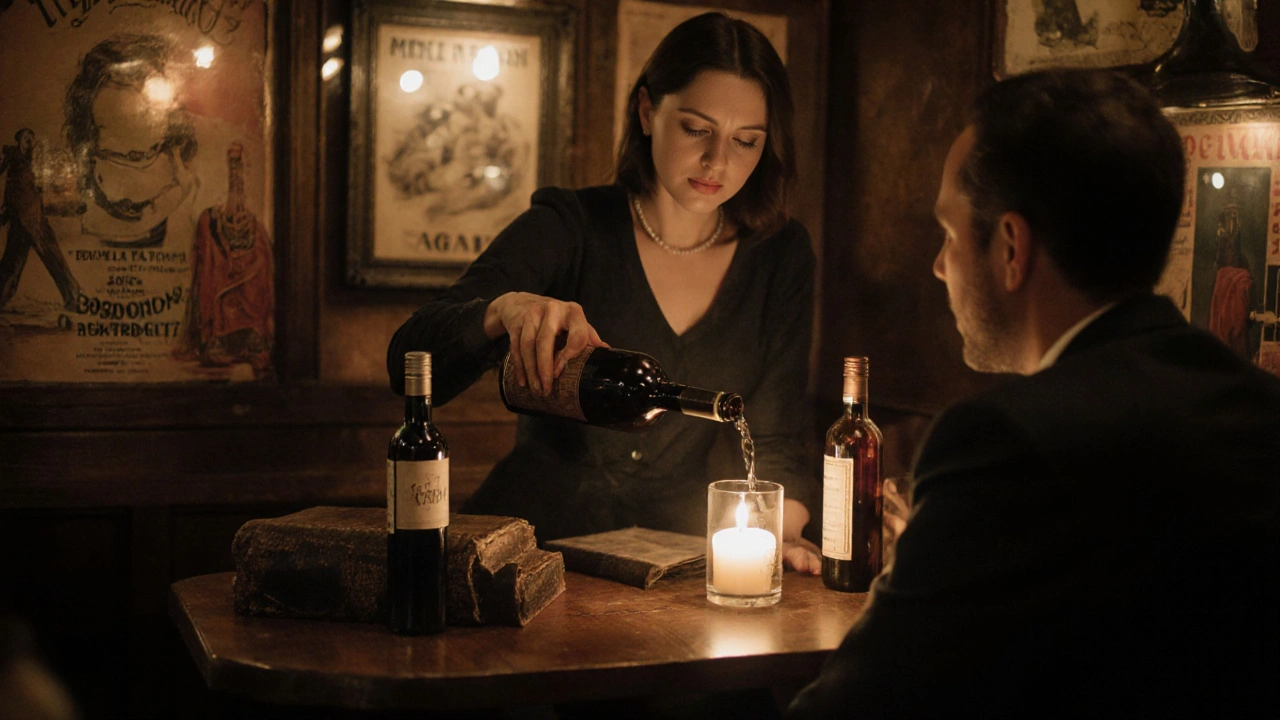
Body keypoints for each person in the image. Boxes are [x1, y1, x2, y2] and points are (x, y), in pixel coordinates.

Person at [786, 69, 1280, 718]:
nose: (940, 265)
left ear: (1012, 248)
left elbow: (862, 704)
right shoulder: (1259, 408)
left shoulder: (1002, 441)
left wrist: (914, 577)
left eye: (950, 234)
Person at [388, 12, 822, 572]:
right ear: (647, 110)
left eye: (746, 141)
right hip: (528, 554)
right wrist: (503, 311)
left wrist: (777, 534)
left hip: (673, 567)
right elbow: (408, 361)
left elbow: (775, 435)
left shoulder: (780, 255)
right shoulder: (570, 226)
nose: (719, 161)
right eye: (696, 129)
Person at [0, 129, 81, 312]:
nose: (30, 140)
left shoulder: (37, 158)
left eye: (31, 137)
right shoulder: (11, 155)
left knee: (53, 258)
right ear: (19, 139)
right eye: (26, 137)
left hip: (36, 220)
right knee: (11, 262)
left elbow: (52, 182)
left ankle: (74, 297)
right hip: (17, 219)